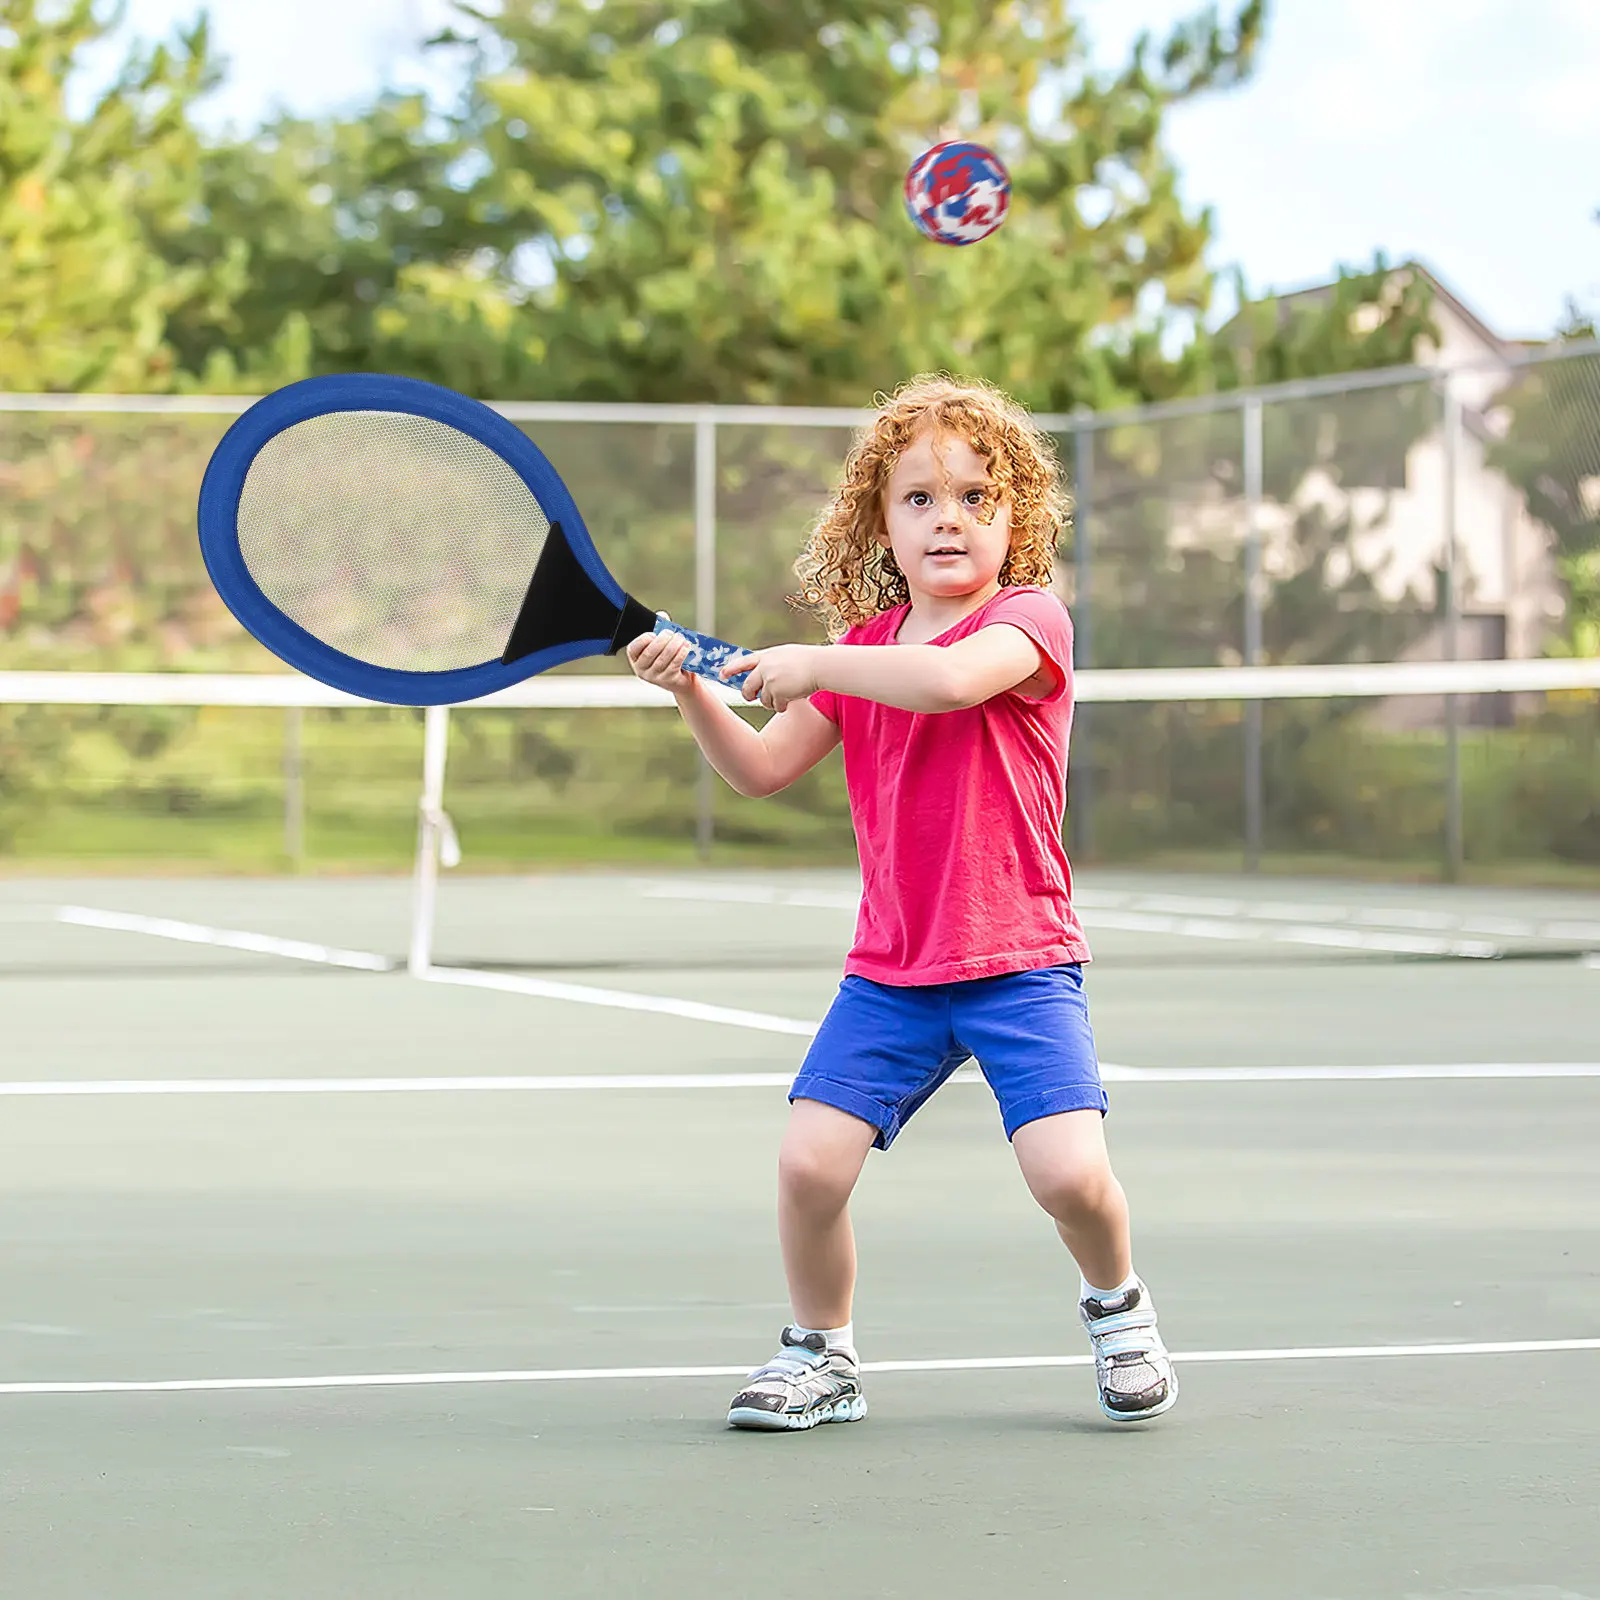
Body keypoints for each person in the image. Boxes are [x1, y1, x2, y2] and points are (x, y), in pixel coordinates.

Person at [626, 374, 1176, 1431]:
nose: (948, 518)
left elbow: (949, 682)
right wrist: (693, 687)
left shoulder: (1027, 623)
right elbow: (758, 769)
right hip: (892, 971)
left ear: (1016, 520)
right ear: (878, 520)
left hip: (1018, 959)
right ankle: (820, 1354)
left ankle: (1116, 1304)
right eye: (919, 498)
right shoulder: (861, 649)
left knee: (1069, 1178)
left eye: (977, 496)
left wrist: (804, 659)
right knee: (806, 1166)